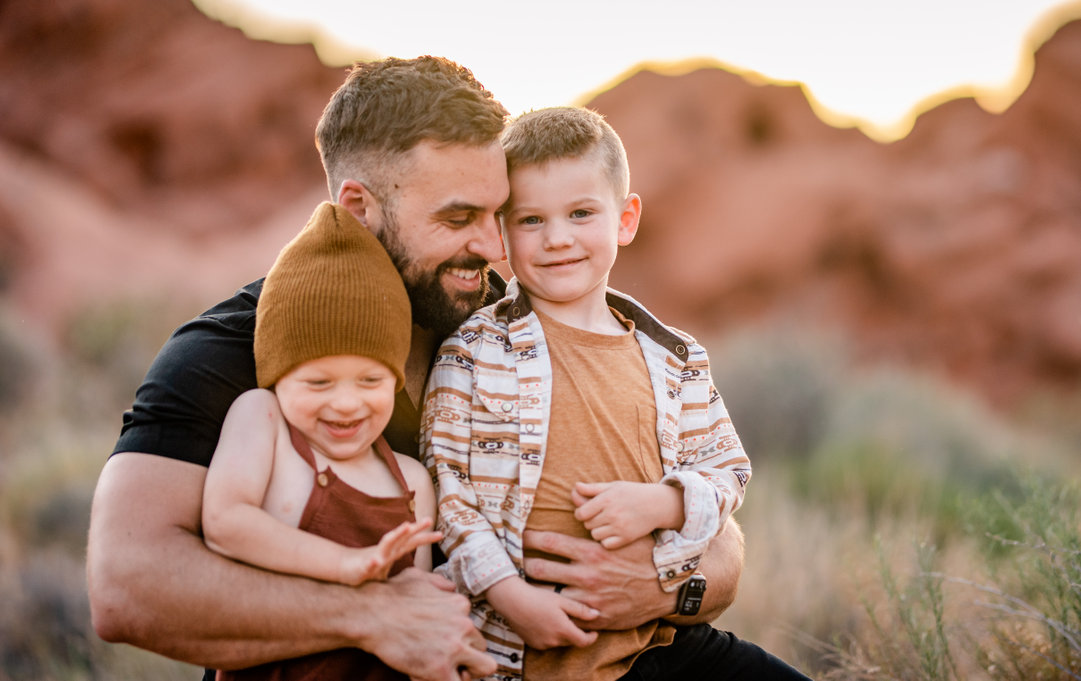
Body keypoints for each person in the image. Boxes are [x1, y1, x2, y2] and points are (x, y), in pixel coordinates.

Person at [85, 56, 748, 681]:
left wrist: (663, 587)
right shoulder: (235, 348)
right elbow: (125, 585)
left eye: (497, 214)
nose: (493, 248)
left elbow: (721, 540)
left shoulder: (510, 325)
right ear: (359, 209)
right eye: (459, 217)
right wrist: (371, 615)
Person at [422, 106, 813, 680]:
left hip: (661, 646)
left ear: (625, 219)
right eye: (531, 220)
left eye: (581, 213)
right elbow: (449, 487)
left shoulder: (677, 359)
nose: (557, 238)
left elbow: (727, 468)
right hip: (516, 652)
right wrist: (509, 594)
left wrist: (668, 504)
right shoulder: (473, 352)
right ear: (502, 233)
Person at [203, 201, 441, 680]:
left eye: (370, 380)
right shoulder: (264, 420)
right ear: (278, 376)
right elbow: (225, 522)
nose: (347, 403)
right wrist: (348, 565)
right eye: (318, 382)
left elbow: (418, 611)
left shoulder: (412, 480)